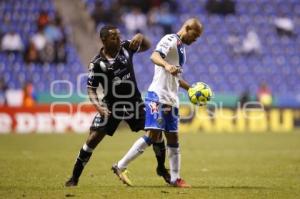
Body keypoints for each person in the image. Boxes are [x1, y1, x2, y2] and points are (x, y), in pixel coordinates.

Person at [65, 25, 170, 187]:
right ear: (104, 40)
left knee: (156, 132)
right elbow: (91, 89)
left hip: (135, 103)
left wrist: (141, 36)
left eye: (119, 35)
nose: (118, 39)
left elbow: (148, 46)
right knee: (92, 139)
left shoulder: (126, 48)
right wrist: (99, 107)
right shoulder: (97, 64)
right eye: (114, 37)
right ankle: (74, 177)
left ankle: (162, 168)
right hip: (112, 107)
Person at [112, 18, 203, 188]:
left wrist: (191, 89)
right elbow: (154, 56)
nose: (195, 39)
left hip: (171, 98)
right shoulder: (170, 40)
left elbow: (175, 77)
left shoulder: (182, 49)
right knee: (153, 135)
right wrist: (167, 65)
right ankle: (120, 165)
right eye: (195, 35)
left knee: (173, 137)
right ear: (187, 28)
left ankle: (176, 179)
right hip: (158, 96)